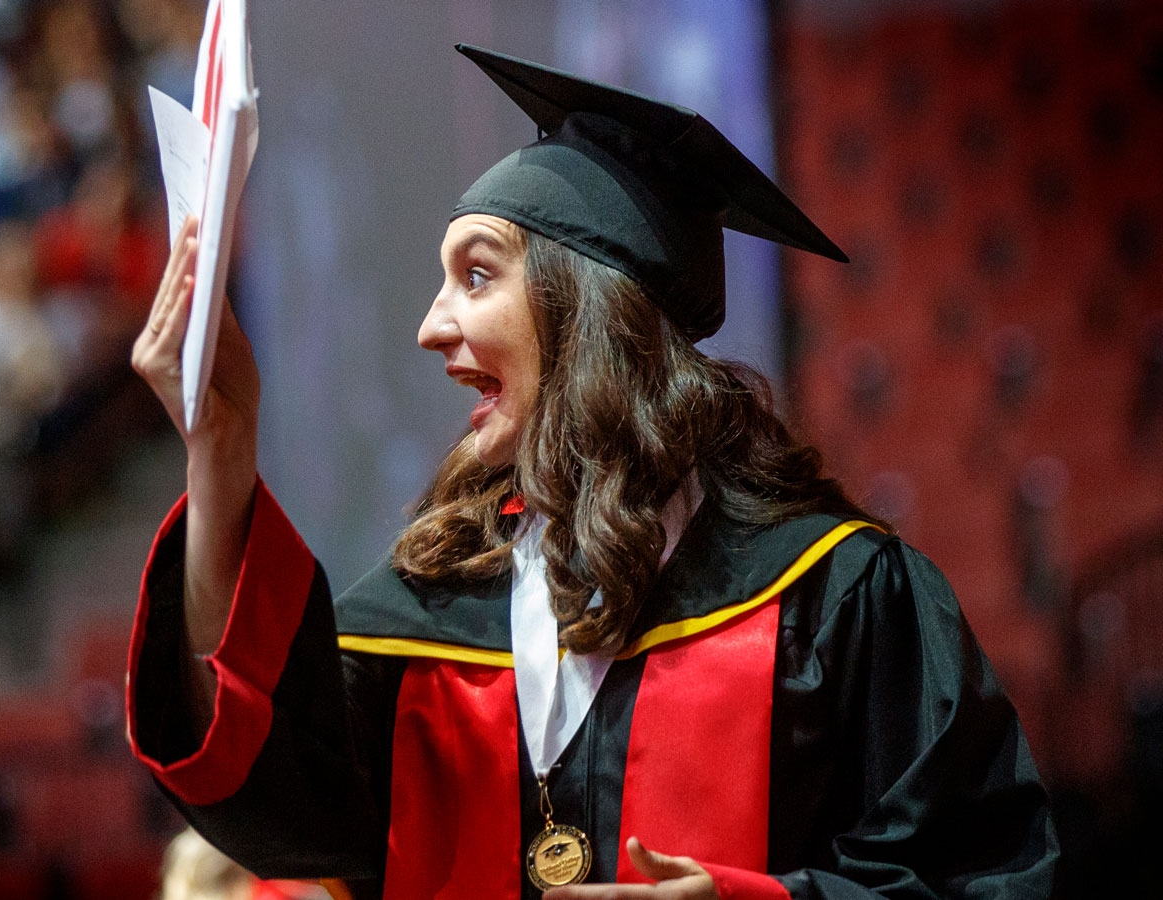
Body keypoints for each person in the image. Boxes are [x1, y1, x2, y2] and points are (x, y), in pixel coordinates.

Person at [125, 46, 1058, 900]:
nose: (430, 326)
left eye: (477, 276)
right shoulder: (428, 617)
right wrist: (222, 450)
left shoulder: (838, 601)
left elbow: (988, 879)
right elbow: (261, 785)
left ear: (590, 313)